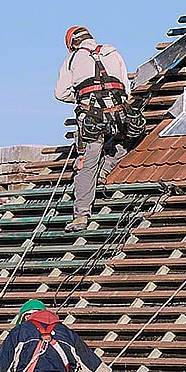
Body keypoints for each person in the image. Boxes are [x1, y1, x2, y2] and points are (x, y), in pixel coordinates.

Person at [55, 26, 144, 232]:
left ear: (72, 44)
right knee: (133, 133)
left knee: (87, 162)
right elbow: (126, 88)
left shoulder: (72, 59)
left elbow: (60, 93)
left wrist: (82, 98)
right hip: (119, 113)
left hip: (92, 118)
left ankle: (81, 216)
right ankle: (106, 168)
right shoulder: (113, 52)